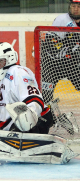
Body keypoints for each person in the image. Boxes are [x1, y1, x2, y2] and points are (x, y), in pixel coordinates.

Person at [0, 42, 77, 164]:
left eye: (0, 61)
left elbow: (34, 99)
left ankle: (50, 122)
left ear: (10, 59)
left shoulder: (19, 72)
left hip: (31, 123)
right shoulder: (6, 75)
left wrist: (27, 121)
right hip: (11, 125)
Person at [40, 0, 80, 134]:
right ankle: (52, 120)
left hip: (72, 66)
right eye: (73, 6)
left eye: (78, 6)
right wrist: (69, 52)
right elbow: (51, 46)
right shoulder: (61, 20)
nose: (75, 9)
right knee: (45, 98)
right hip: (52, 65)